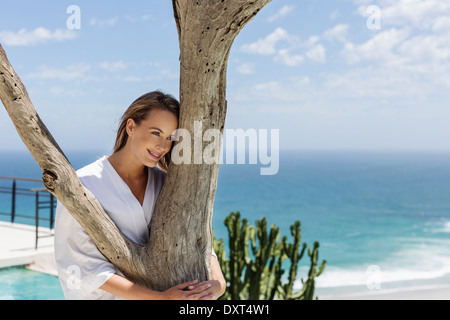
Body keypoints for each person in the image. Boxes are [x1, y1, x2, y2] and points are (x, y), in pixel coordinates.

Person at [54, 91, 226, 300]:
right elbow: (78, 263)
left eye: (170, 137)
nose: (162, 146)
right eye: (155, 133)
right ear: (131, 127)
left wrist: (219, 282)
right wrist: (159, 297)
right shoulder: (84, 184)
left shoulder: (166, 183)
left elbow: (195, 235)